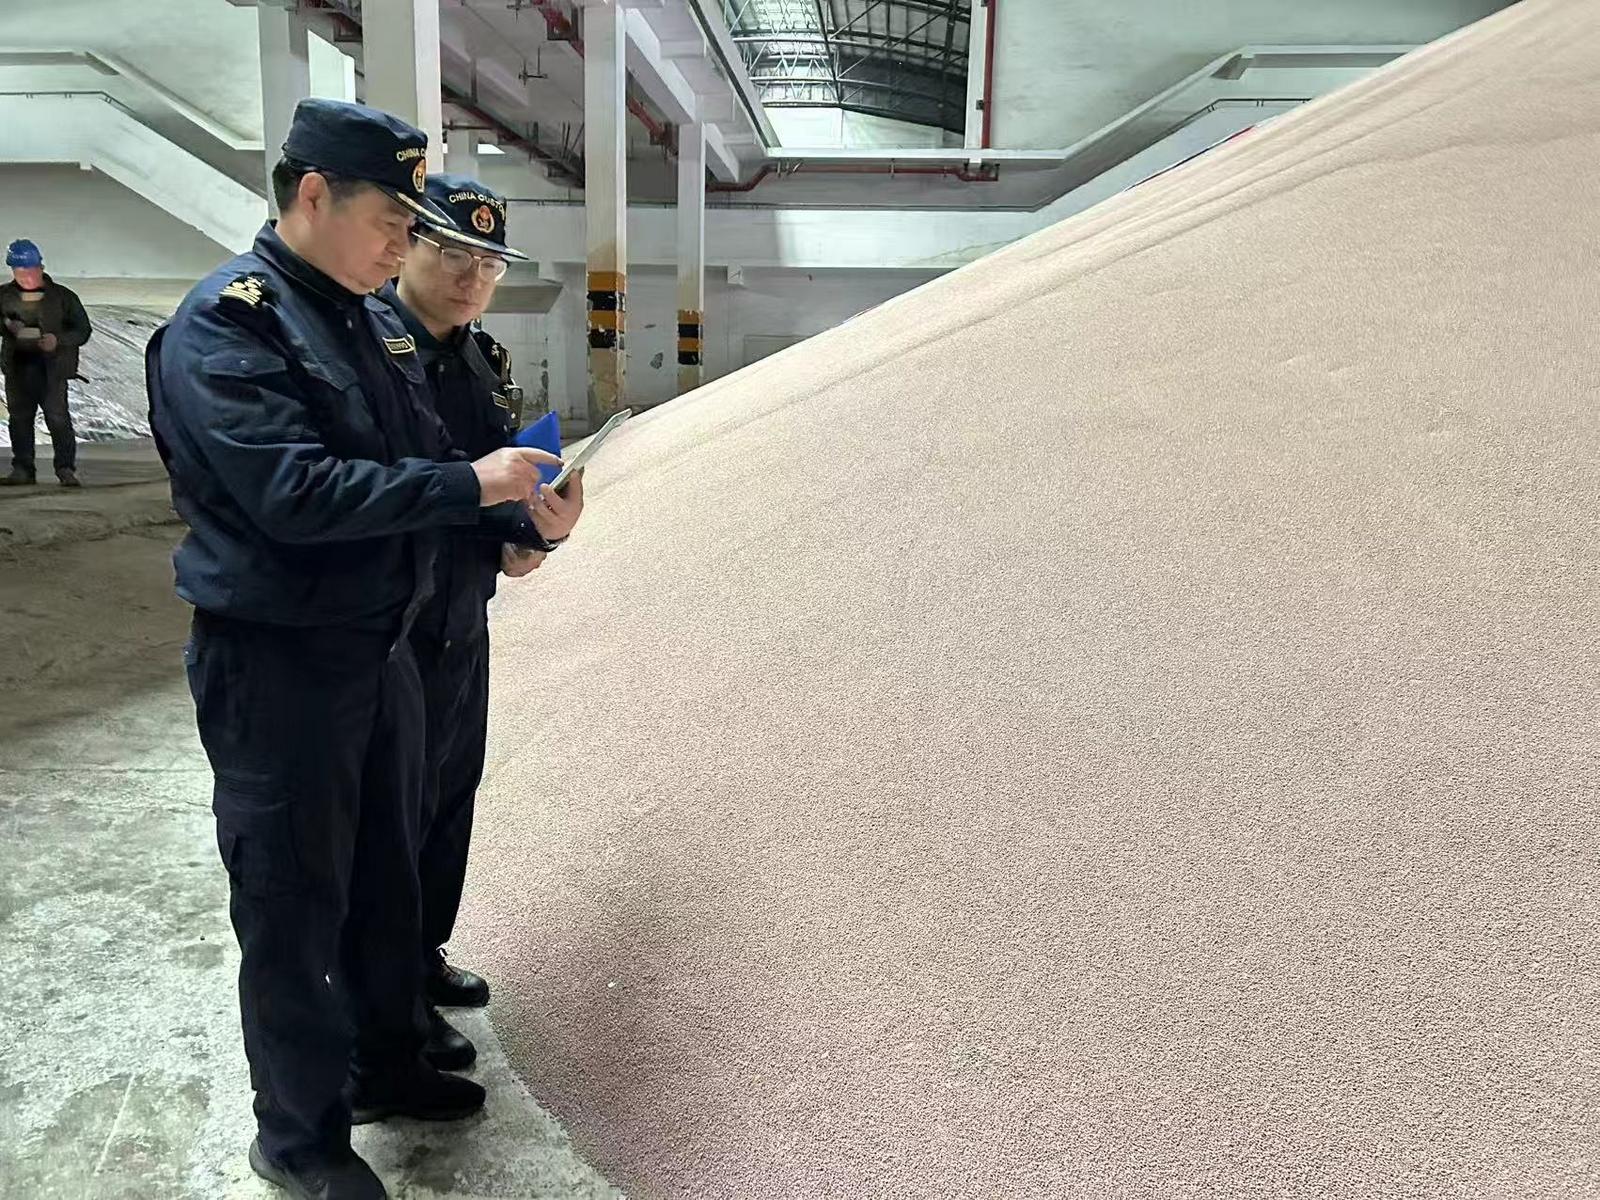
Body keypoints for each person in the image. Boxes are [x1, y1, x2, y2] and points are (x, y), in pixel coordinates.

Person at [146, 99, 576, 1200]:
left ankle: (385, 1065)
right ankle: (297, 1138)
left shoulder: (357, 325)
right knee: (295, 905)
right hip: (280, 665)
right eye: (392, 220)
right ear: (312, 195)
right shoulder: (228, 327)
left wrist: (520, 523)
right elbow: (292, 494)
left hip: (383, 649)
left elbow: (423, 471)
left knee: (388, 877)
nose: (401, 246)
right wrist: (466, 484)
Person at [380, 174, 584, 1071]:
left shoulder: (482, 359)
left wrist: (528, 538)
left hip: (463, 611)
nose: (472, 278)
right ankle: (386, 995)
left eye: (489, 264)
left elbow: (491, 483)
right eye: (454, 254)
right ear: (406, 247)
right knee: (388, 813)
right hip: (387, 622)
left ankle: (422, 955)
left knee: (448, 794)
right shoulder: (366, 352)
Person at [1, 239, 92, 487]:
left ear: (41, 268)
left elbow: (82, 330)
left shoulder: (62, 297)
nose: (26, 278)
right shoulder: (4, 296)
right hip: (18, 369)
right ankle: (23, 469)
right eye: (20, 273)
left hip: (52, 370)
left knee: (58, 418)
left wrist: (57, 340)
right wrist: (8, 327)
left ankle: (65, 468)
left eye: (30, 272)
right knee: (20, 419)